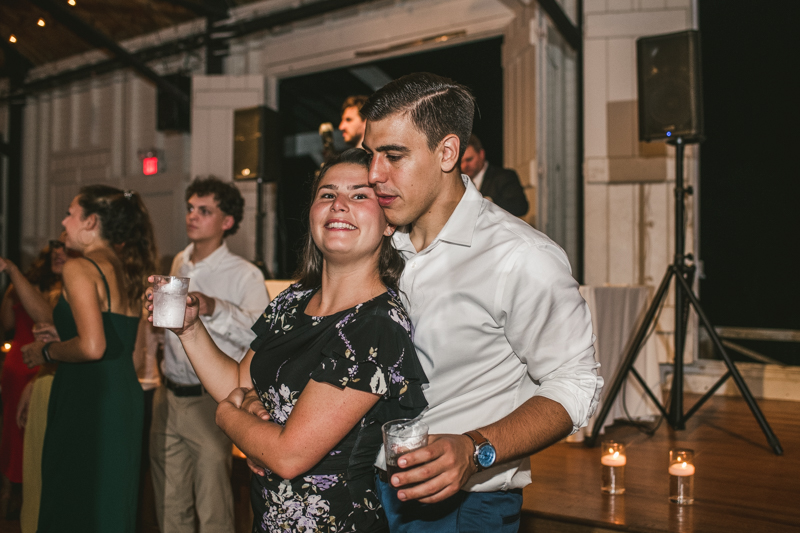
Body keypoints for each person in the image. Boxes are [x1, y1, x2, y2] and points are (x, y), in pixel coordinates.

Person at [360, 72, 603, 531]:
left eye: (394, 156)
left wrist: (476, 449)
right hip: (367, 486)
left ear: (448, 152)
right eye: (370, 156)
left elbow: (575, 384)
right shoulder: (382, 242)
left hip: (461, 508)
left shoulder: (520, 257)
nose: (375, 174)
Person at [147, 149, 427, 532]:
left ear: (389, 223)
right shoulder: (293, 300)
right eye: (327, 194)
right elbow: (235, 383)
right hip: (269, 518)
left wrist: (229, 417)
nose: (339, 205)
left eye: (360, 195)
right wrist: (190, 329)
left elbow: (287, 455)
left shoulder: (376, 325)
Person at [21, 185, 157, 532]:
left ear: (92, 221)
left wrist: (46, 351)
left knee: (74, 499)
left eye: (71, 213)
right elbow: (128, 347)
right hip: (122, 395)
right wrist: (65, 339)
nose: (64, 221)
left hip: (88, 397)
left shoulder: (80, 267)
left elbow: (93, 346)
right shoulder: (126, 268)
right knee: (110, 500)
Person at [149, 177, 268, 533]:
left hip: (211, 400)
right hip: (167, 393)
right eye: (190, 208)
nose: (192, 216)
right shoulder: (177, 262)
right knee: (169, 504)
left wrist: (213, 306)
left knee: (213, 506)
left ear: (227, 221)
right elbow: (169, 332)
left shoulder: (245, 274)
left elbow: (260, 338)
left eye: (204, 210)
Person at [0, 241, 65, 521]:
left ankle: (8, 498)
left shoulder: (22, 288)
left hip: (19, 359)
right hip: (38, 362)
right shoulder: (53, 291)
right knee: (30, 437)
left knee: (12, 431)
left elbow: (7, 323)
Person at [460, 134, 529, 216]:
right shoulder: (461, 183)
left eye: (469, 159)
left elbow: (520, 206)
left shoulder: (504, 176)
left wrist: (488, 202)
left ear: (481, 154)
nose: (464, 166)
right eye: (461, 162)